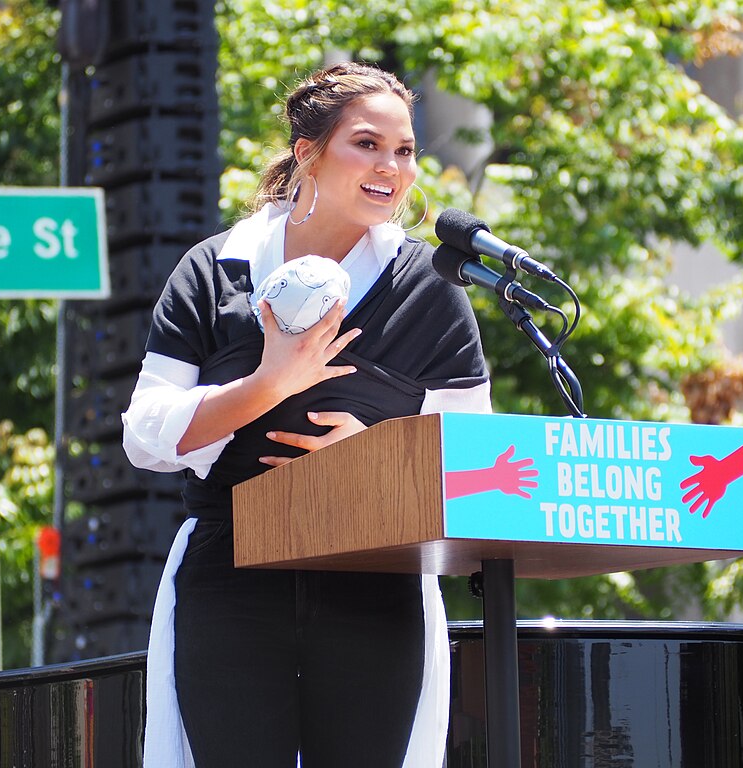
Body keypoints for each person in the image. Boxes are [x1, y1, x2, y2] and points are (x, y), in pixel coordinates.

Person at [122, 61, 491, 768]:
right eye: (367, 144)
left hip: (376, 582)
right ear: (307, 154)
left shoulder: (432, 289)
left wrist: (376, 458)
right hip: (230, 574)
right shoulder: (213, 271)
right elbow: (146, 436)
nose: (392, 167)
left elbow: (475, 462)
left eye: (405, 150)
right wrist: (268, 382)